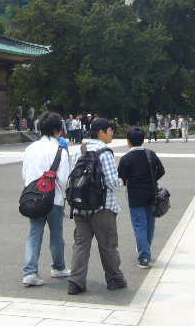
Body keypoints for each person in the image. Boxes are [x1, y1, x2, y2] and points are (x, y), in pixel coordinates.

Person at [68, 118, 126, 295]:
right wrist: (122, 181)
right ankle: (114, 279)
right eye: (110, 130)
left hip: (79, 207)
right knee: (107, 244)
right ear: (101, 132)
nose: (112, 133)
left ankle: (75, 282)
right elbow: (112, 182)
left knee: (80, 244)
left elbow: (72, 177)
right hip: (103, 208)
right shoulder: (105, 153)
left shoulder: (80, 151)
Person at [20, 112, 71, 286]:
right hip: (54, 198)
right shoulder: (60, 150)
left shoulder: (30, 149)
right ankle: (58, 267)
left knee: (34, 233)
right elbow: (64, 178)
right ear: (58, 130)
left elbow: (25, 174)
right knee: (56, 234)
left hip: (34, 197)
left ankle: (30, 272)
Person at [118, 127, 165, 268]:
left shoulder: (126, 158)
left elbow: (122, 178)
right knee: (150, 224)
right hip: (152, 193)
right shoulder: (150, 154)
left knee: (139, 226)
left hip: (135, 195)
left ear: (128, 141)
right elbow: (161, 170)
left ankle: (144, 256)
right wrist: (151, 179)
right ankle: (146, 250)